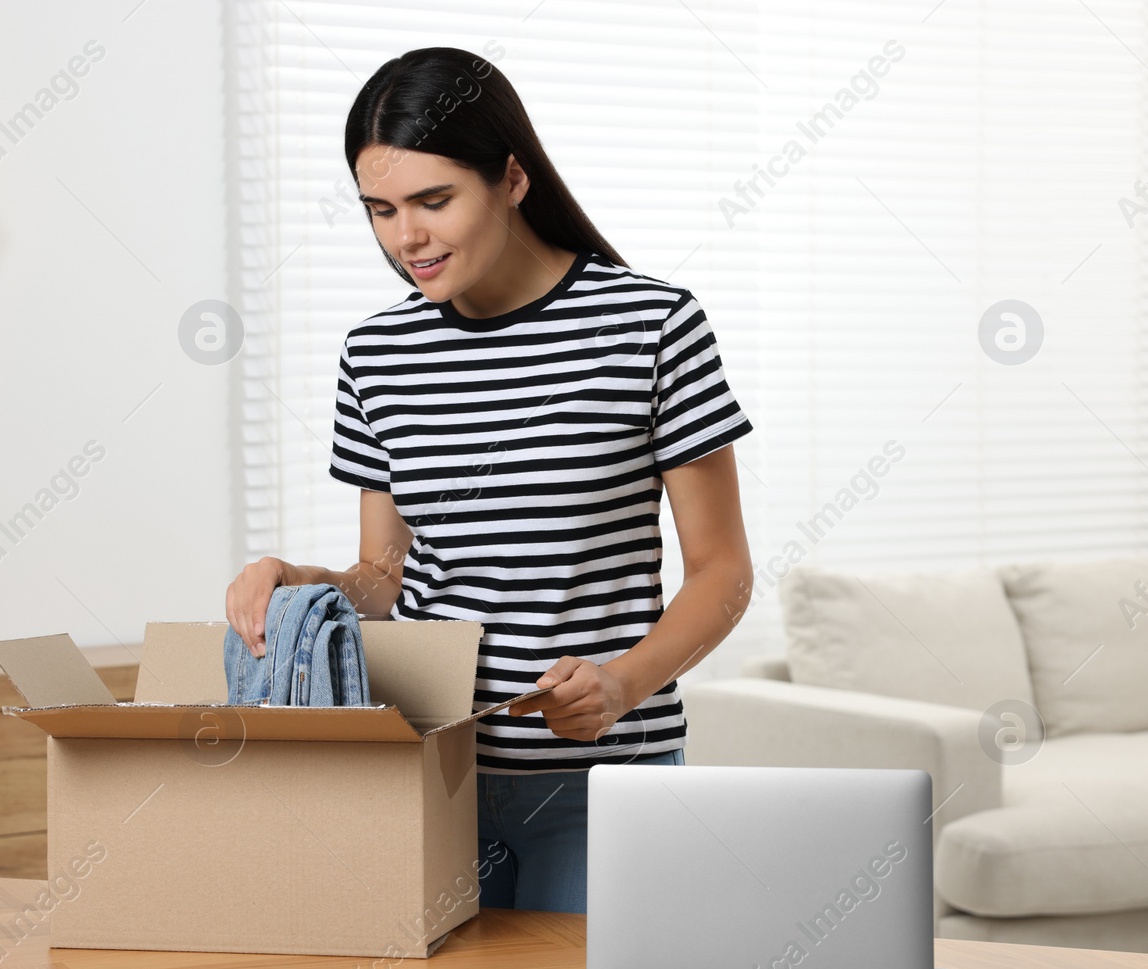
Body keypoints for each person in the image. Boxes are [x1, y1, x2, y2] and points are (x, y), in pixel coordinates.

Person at [225, 46, 754, 914]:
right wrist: (302, 582)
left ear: (512, 178)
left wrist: (623, 680)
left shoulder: (651, 327)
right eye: (382, 210)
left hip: (605, 789)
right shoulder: (378, 355)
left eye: (436, 201)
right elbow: (382, 581)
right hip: (432, 785)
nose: (408, 239)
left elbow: (723, 575)